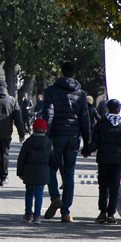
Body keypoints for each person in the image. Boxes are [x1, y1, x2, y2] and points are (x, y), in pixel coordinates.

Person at [41, 61, 91, 222]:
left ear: (60, 73)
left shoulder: (51, 91)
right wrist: (87, 143)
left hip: (56, 136)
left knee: (50, 168)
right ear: (74, 75)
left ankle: (55, 197)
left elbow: (48, 115)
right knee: (69, 172)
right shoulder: (81, 94)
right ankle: (66, 211)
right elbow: (85, 118)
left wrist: (44, 136)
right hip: (73, 137)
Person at [82, 99, 121, 224]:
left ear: (107, 109)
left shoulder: (101, 124)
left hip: (104, 159)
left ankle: (102, 213)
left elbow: (95, 143)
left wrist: (86, 151)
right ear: (119, 111)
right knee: (114, 187)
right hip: (118, 160)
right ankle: (111, 214)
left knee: (103, 186)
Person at [17, 118, 54, 223]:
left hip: (29, 170)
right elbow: (52, 159)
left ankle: (28, 213)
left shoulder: (28, 142)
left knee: (29, 192)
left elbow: (21, 158)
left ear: (33, 129)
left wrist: (20, 172)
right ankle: (37, 215)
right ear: (45, 130)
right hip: (43, 170)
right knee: (39, 193)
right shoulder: (49, 143)